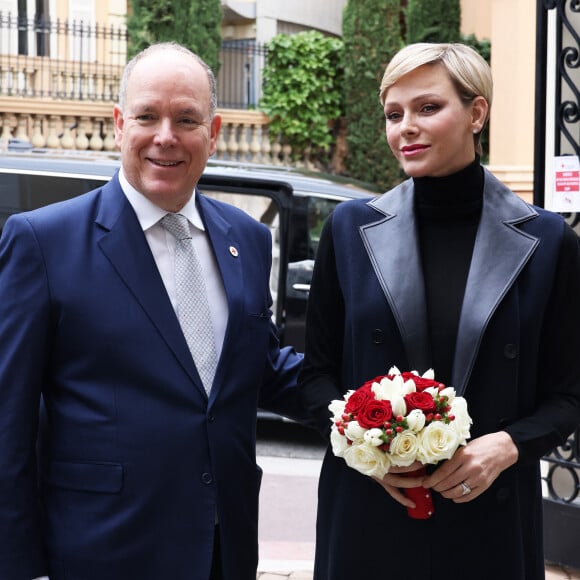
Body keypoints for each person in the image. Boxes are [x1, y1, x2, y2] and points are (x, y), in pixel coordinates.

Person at [0, 42, 305, 580]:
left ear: (213, 133)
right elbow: (9, 421)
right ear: (120, 124)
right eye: (147, 116)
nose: (166, 136)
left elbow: (257, 366)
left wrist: (379, 402)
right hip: (99, 552)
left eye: (186, 119)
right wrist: (20, 565)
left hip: (221, 549)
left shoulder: (249, 240)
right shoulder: (42, 242)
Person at [298, 42, 580, 580]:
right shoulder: (349, 230)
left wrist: (508, 445)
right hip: (369, 515)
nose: (405, 127)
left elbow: (568, 394)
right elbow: (316, 377)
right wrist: (368, 451)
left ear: (477, 113)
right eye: (393, 113)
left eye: (427, 108)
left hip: (488, 522)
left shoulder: (547, 242)